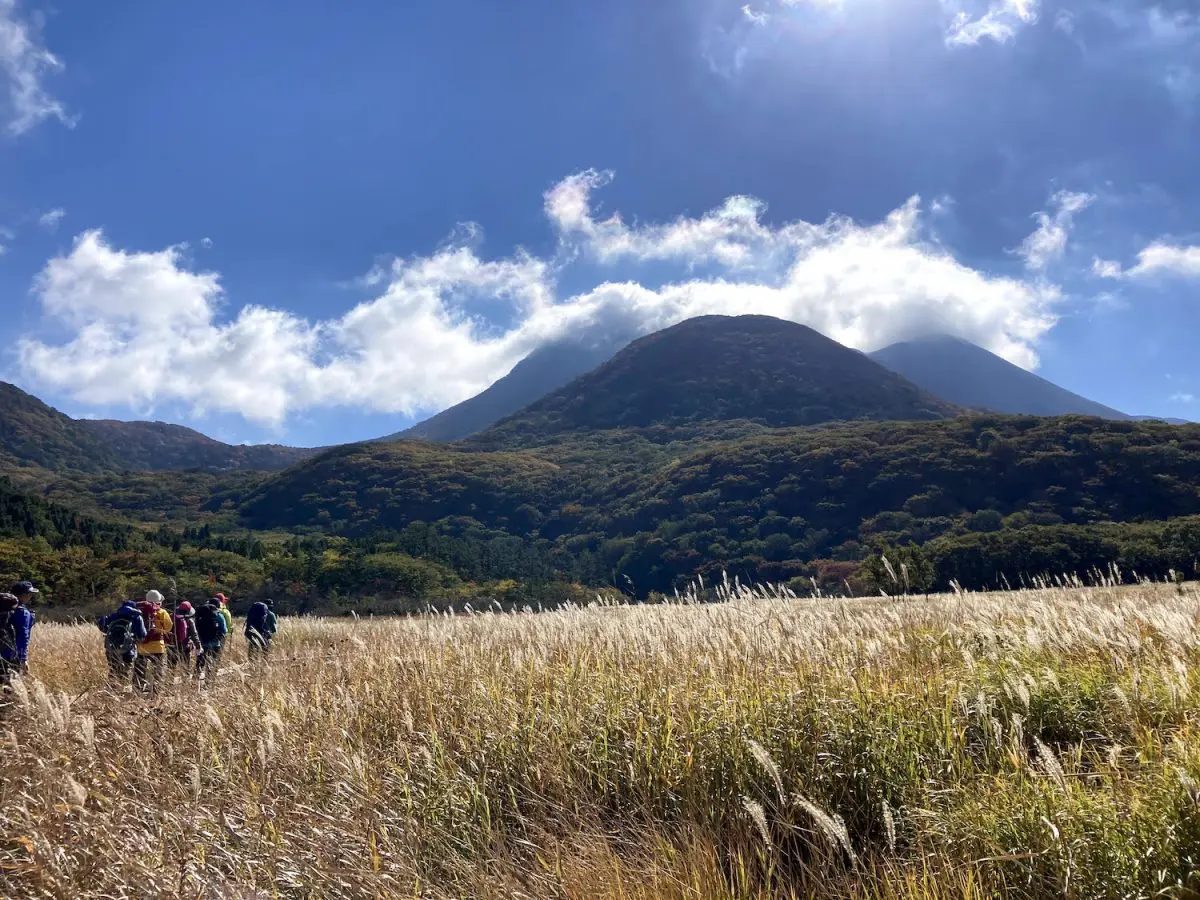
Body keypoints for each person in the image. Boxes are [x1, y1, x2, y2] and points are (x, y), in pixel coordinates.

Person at [97, 598, 148, 684]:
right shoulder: (136, 616)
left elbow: (101, 623)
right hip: (127, 648)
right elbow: (142, 634)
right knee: (126, 669)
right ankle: (121, 688)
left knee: (113, 669)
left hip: (111, 647)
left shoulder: (114, 615)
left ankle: (112, 689)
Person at [133, 591, 173, 694]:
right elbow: (168, 627)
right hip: (157, 647)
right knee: (158, 671)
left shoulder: (139, 611)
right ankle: (156, 692)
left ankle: (137, 690)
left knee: (140, 670)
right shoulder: (162, 612)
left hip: (142, 646)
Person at [0, 590, 34, 691]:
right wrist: (22, 659)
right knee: (11, 686)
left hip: (5, 655)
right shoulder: (20, 614)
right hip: (10, 656)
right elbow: (23, 637)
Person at [194, 597, 228, 681]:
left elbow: (196, 628)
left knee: (200, 661)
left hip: (203, 642)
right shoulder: (219, 615)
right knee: (213, 661)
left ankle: (195, 679)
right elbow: (224, 630)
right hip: (215, 643)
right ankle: (209, 680)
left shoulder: (201, 614)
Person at [166, 601, 201, 677]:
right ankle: (185, 682)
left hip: (172, 646)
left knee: (171, 666)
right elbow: (194, 634)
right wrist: (198, 645)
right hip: (185, 646)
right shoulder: (190, 621)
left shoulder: (171, 617)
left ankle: (169, 683)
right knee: (185, 666)